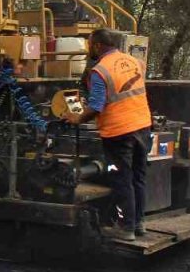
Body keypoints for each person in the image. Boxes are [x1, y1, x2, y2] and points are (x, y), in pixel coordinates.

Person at [63, 28, 153, 241]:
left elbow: (96, 106)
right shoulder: (134, 62)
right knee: (138, 177)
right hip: (143, 126)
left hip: (119, 132)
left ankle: (126, 228)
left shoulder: (100, 70)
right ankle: (139, 223)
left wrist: (77, 118)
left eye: (89, 45)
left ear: (97, 46)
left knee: (123, 179)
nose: (88, 49)